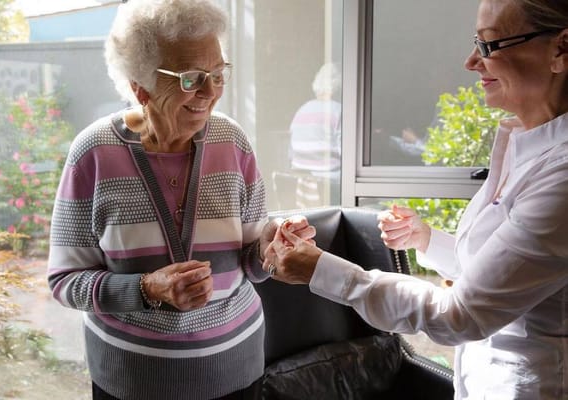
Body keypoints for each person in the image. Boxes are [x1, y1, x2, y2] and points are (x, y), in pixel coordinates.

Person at [262, 0, 568, 398]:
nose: (472, 61)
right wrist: (427, 240)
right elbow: (502, 273)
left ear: (560, 50)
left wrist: (323, 271)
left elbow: (464, 314)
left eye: (490, 45)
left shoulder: (560, 175)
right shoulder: (523, 144)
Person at [46, 1, 312, 399]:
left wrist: (273, 246)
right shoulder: (94, 153)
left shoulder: (232, 142)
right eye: (191, 78)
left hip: (237, 373)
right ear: (141, 87)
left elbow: (253, 264)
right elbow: (65, 281)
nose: (210, 92)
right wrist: (147, 290)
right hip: (134, 381)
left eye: (218, 74)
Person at [288, 62, 342, 206]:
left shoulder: (301, 111)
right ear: (338, 88)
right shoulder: (338, 111)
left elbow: (290, 154)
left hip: (301, 185)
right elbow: (347, 155)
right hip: (328, 187)